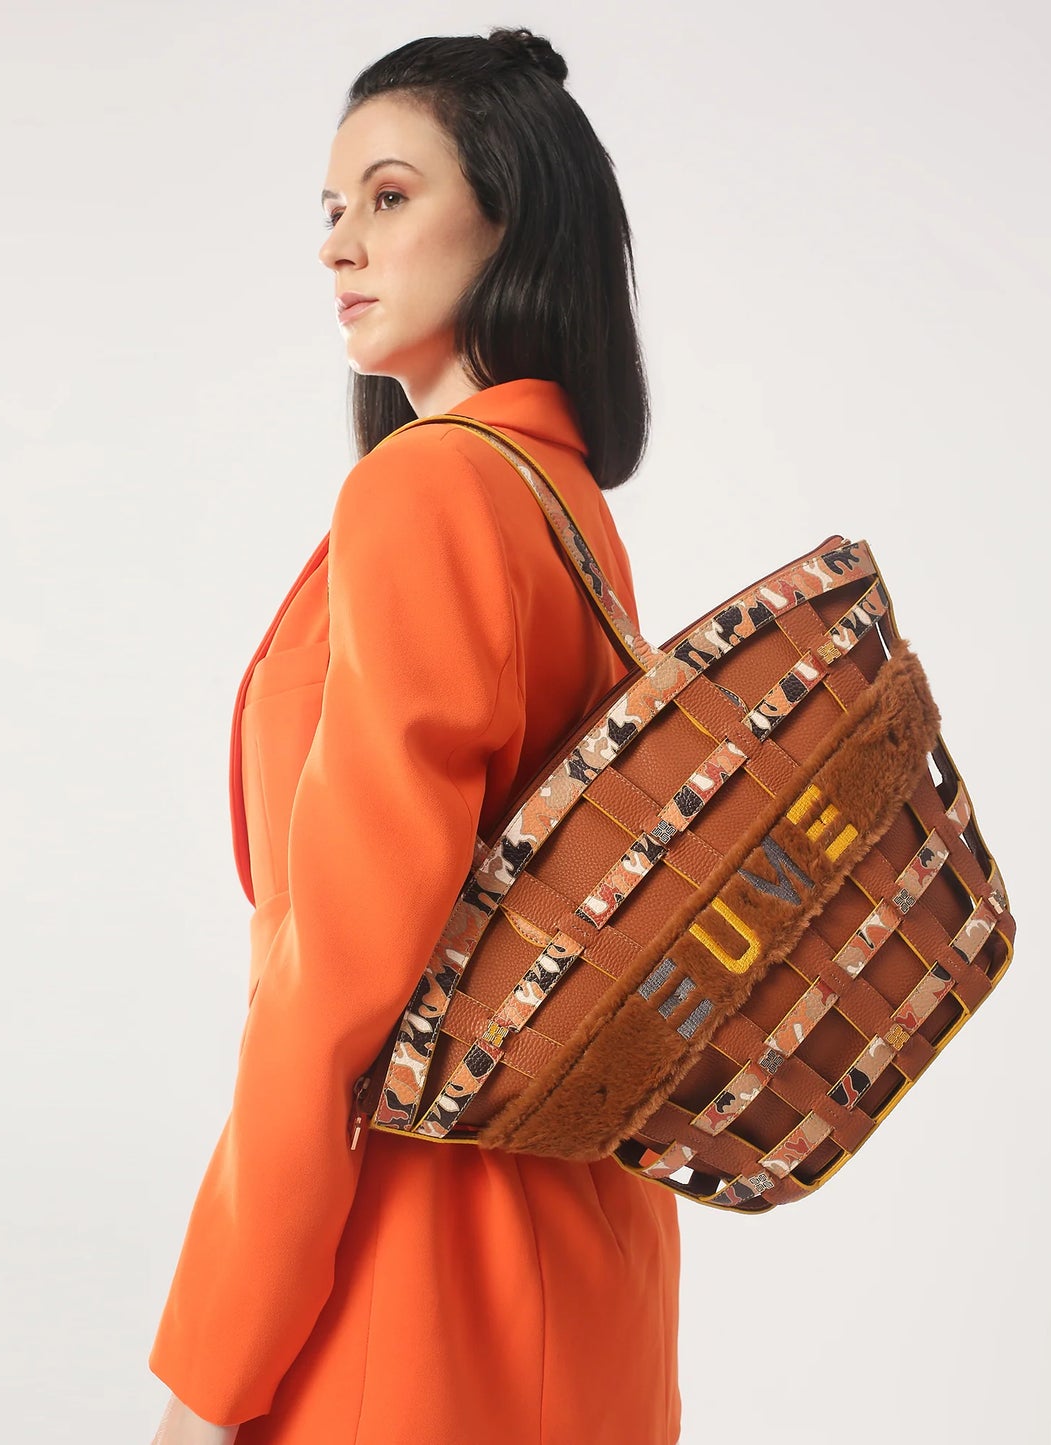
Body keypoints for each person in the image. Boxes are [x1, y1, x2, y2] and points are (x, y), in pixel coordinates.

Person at [147, 26, 682, 1445]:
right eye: (330, 209)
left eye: (388, 197)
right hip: (585, 1271)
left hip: (413, 1290)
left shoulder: (427, 494)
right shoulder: (565, 508)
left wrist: (211, 1373)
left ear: (512, 221)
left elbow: (341, 988)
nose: (338, 246)